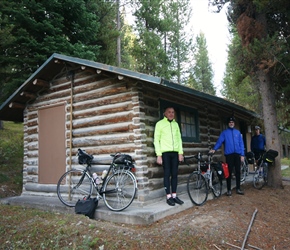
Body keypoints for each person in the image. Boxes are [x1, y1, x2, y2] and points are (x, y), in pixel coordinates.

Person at [154, 107, 184, 206]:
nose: (171, 114)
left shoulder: (176, 125)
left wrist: (180, 153)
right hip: (165, 153)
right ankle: (168, 197)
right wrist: (159, 155)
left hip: (175, 153)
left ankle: (174, 196)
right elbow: (156, 140)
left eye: (172, 112)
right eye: (169, 112)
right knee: (167, 174)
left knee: (174, 174)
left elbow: (179, 139)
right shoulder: (160, 124)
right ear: (165, 113)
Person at [209, 117, 245, 196]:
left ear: (234, 123)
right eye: (230, 122)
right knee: (228, 172)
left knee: (238, 172)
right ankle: (229, 190)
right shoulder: (224, 133)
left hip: (237, 154)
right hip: (229, 155)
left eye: (232, 122)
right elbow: (219, 142)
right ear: (228, 124)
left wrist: (242, 154)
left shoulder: (238, 133)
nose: (231, 123)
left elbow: (241, 144)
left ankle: (238, 188)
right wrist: (214, 149)